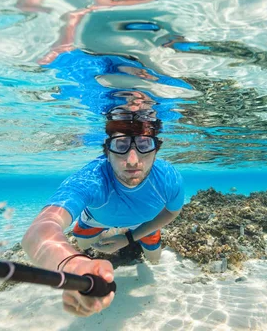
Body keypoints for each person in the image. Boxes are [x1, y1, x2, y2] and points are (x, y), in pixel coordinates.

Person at [21, 112, 184, 317]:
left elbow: (172, 212)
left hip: (143, 222)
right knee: (83, 246)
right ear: (107, 151)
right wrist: (73, 264)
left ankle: (132, 240)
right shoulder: (91, 179)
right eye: (121, 145)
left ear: (156, 149)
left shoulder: (169, 178)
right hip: (97, 219)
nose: (133, 160)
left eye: (144, 144)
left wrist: (129, 238)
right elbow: (38, 232)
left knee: (154, 258)